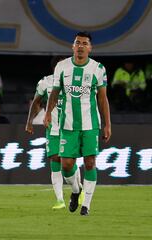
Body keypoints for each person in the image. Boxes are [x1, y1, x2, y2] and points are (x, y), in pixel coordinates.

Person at [44, 31, 111, 216]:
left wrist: (107, 124)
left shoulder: (98, 69)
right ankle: (76, 190)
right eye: (77, 43)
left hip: (90, 125)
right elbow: (55, 93)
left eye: (84, 43)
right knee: (66, 165)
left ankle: (86, 206)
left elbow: (103, 99)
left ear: (90, 48)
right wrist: (48, 113)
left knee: (90, 162)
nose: (80, 46)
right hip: (68, 125)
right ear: (72, 46)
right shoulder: (62, 67)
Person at [26, 56, 84, 210]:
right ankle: (59, 200)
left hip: (71, 128)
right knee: (55, 160)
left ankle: (77, 189)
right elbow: (36, 102)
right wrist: (29, 121)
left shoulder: (76, 82)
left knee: (68, 162)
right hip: (53, 129)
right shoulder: (45, 82)